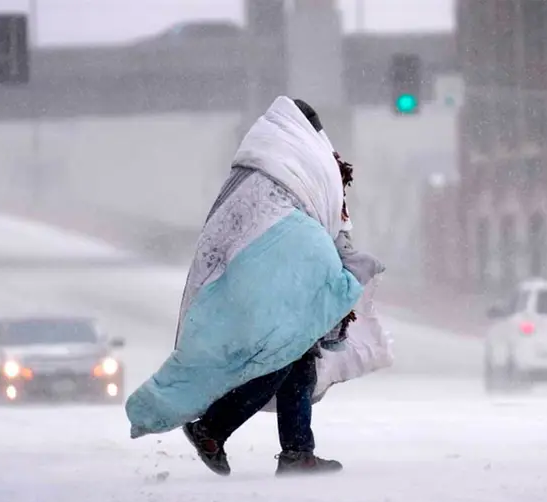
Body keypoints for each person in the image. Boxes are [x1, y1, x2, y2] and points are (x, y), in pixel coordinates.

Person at [124, 96, 386, 476]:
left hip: (252, 273)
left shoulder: (258, 167)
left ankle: (297, 451)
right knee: (281, 355)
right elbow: (323, 224)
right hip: (275, 275)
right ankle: (213, 428)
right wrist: (342, 270)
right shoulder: (307, 164)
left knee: (296, 359)